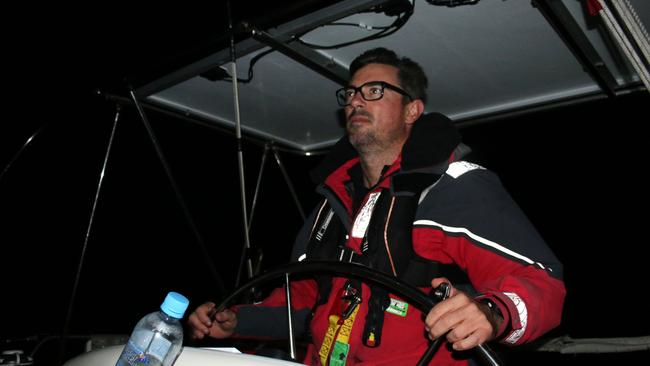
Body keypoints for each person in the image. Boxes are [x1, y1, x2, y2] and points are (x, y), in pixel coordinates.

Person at [188, 47, 566, 365]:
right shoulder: (332, 197)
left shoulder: (455, 185)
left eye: (374, 90)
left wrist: (492, 313)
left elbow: (541, 283)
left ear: (412, 110)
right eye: (351, 93)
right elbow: (304, 300)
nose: (354, 100)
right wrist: (236, 321)